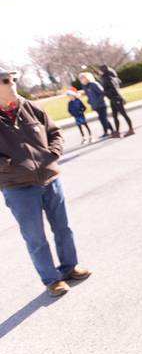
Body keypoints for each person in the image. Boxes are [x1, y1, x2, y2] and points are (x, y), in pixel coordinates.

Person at [0, 68, 91, 297]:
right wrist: (7, 164)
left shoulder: (31, 107)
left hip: (50, 179)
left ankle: (70, 267)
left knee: (63, 228)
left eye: (13, 79)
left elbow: (55, 132)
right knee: (35, 237)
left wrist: (53, 152)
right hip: (17, 187)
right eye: (5, 81)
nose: (12, 84)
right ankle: (52, 280)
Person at [99, 64, 134, 137]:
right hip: (112, 99)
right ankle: (117, 132)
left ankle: (131, 129)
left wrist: (104, 92)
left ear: (103, 70)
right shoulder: (107, 77)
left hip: (116, 98)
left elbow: (114, 89)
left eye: (100, 70)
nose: (99, 72)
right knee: (114, 116)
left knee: (124, 114)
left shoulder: (109, 78)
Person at [78, 71, 113, 138]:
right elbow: (89, 95)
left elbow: (102, 93)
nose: (81, 80)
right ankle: (111, 130)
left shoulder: (93, 84)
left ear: (87, 78)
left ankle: (107, 131)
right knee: (101, 118)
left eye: (82, 78)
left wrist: (98, 101)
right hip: (95, 105)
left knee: (103, 118)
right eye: (80, 79)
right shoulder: (85, 86)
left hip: (102, 104)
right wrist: (89, 101)